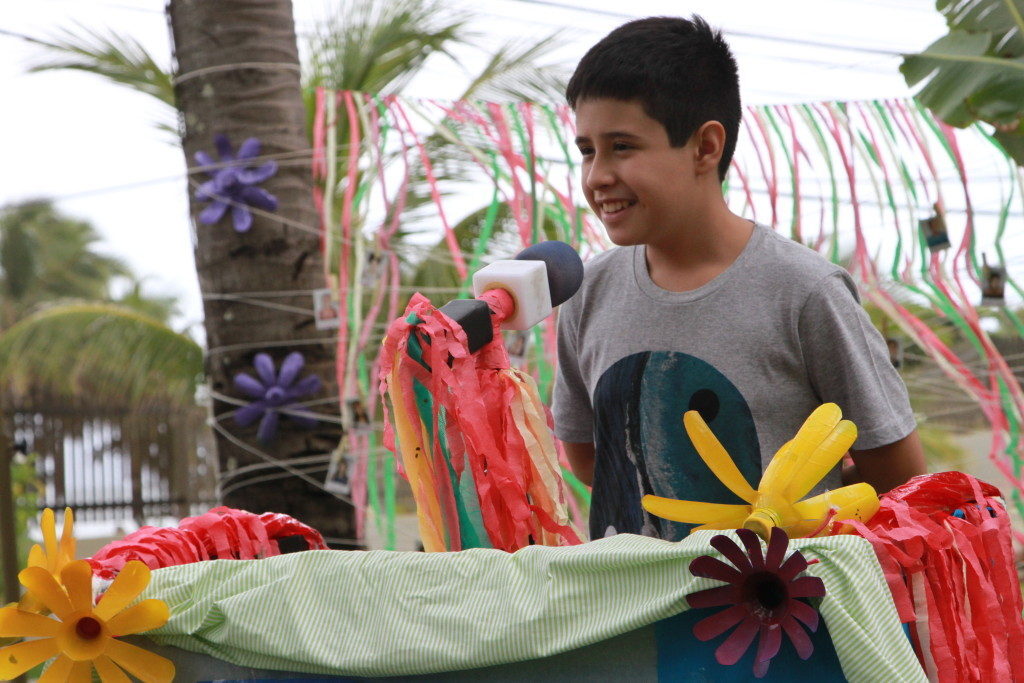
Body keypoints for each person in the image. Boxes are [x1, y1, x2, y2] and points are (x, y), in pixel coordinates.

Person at [551, 16, 926, 542]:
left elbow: (899, 478)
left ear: (706, 147)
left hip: (778, 614)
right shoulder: (587, 293)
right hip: (624, 615)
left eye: (623, 147)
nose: (597, 177)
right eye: (587, 150)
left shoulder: (803, 292)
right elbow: (592, 459)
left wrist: (809, 511)